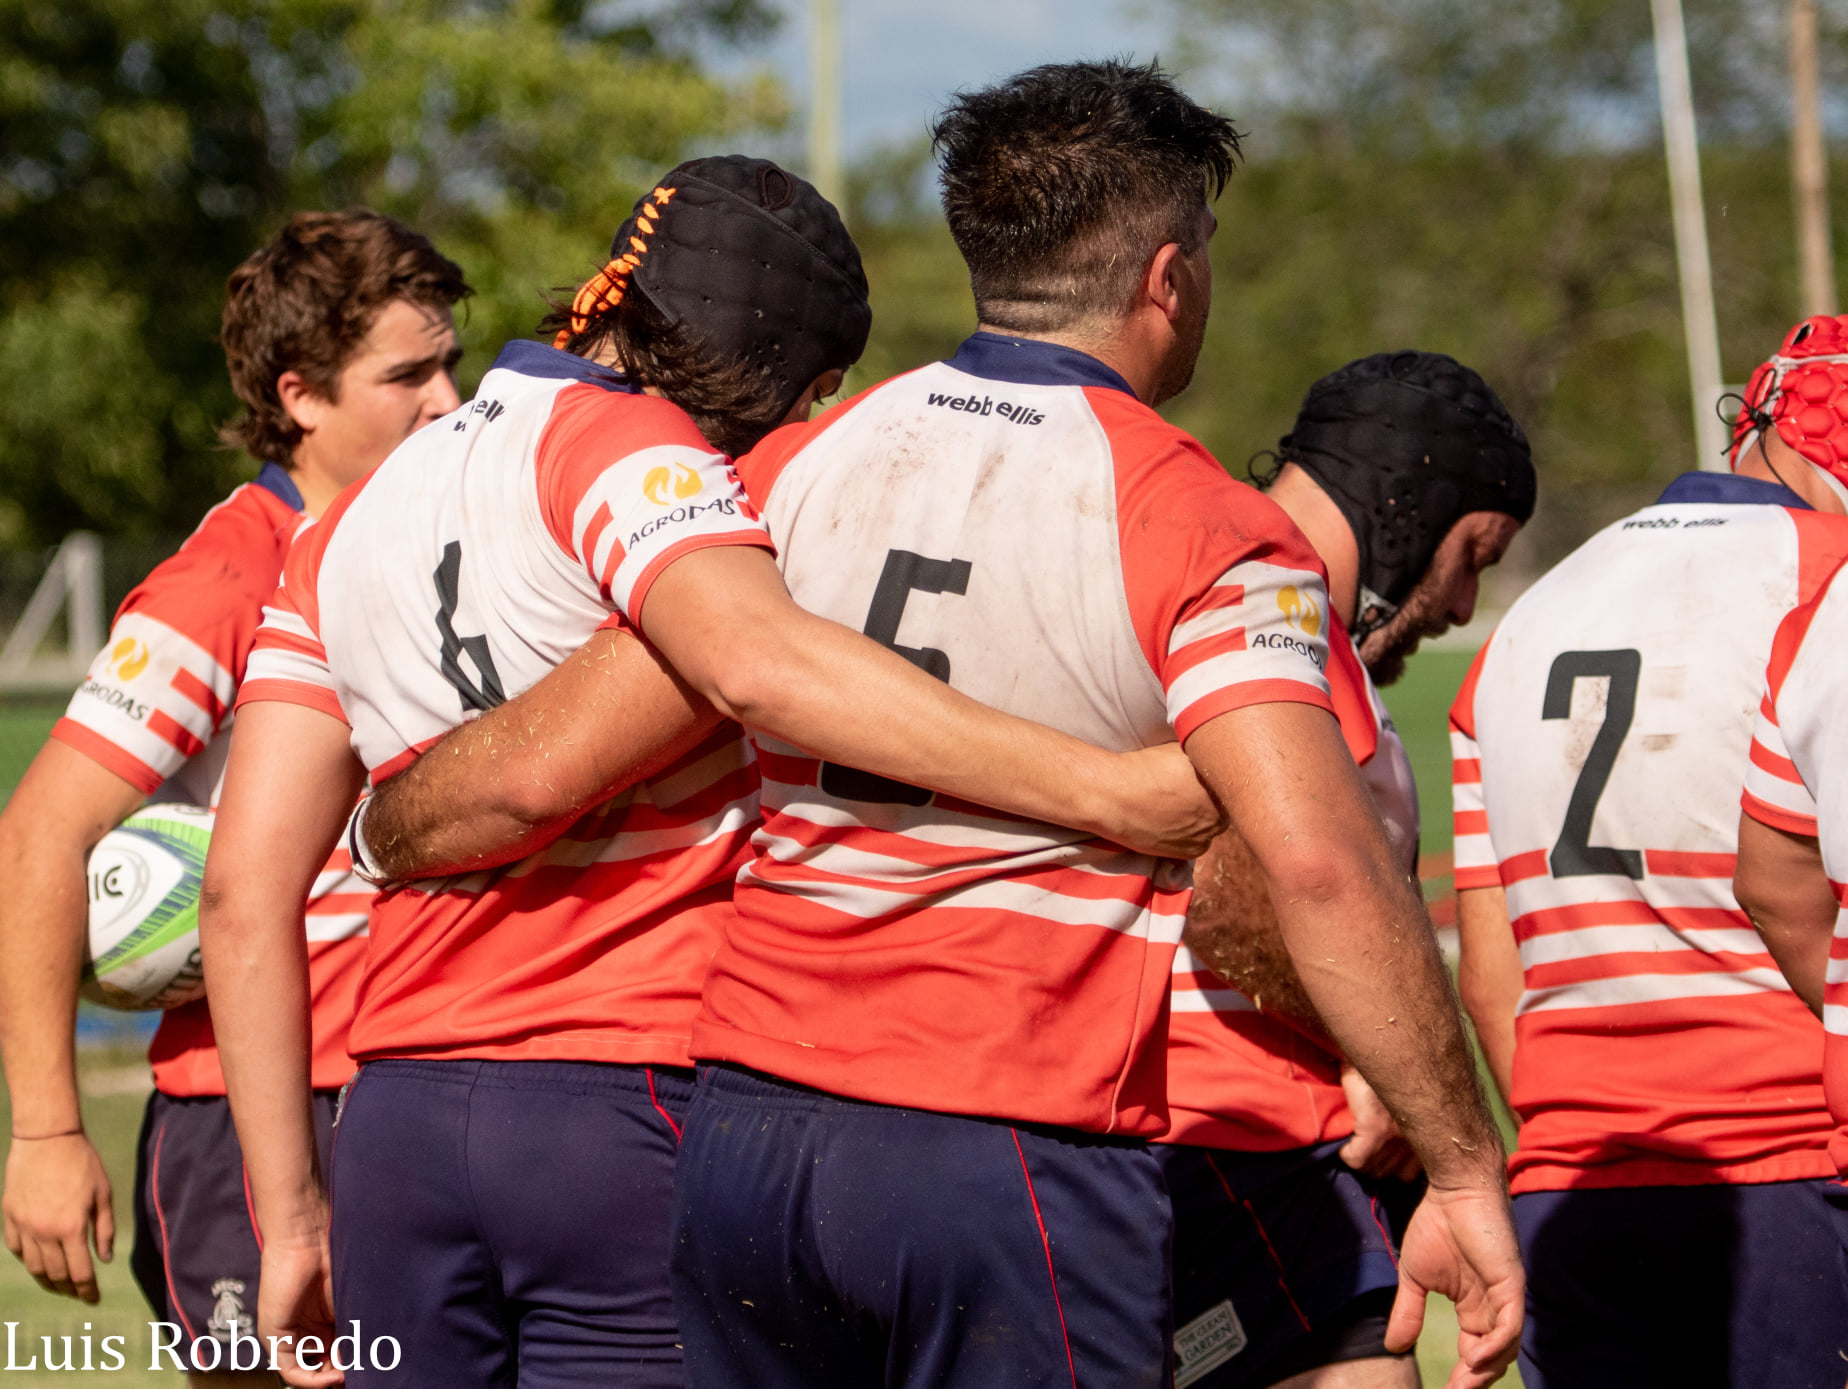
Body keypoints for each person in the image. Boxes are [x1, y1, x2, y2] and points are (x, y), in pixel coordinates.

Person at [360, 63, 1521, 1389]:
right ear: (1168, 272)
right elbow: (1314, 860)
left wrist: (381, 821)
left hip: (752, 1140)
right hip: (1006, 1136)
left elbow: (544, 759)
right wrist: (1467, 1158)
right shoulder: (1201, 520)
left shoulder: (789, 470)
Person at [200, 155, 1221, 1389]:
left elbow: (242, 894)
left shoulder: (347, 516)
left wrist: (293, 1208)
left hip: (398, 1123)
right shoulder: (641, 456)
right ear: (800, 385)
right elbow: (761, 666)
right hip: (619, 1102)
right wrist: (1105, 791)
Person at [0, 211, 468, 1381]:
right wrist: (48, 1131)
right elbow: (38, 835)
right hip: (245, 1121)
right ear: (300, 395)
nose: (449, 400)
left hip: (403, 1090)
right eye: (408, 374)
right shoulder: (227, 576)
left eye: (453, 361)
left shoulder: (420, 546)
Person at [1451, 313, 1848, 1389]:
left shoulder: (1539, 608)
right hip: (1794, 1162)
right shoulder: (1829, 585)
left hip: (1576, 1182)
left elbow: (1496, 979)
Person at [1162, 351, 1531, 1389]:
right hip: (1242, 1145)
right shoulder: (1261, 604)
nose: (1461, 604)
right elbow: (1230, 889)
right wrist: (1384, 1041)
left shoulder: (1224, 580)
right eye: (1472, 557)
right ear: (1408, 509)